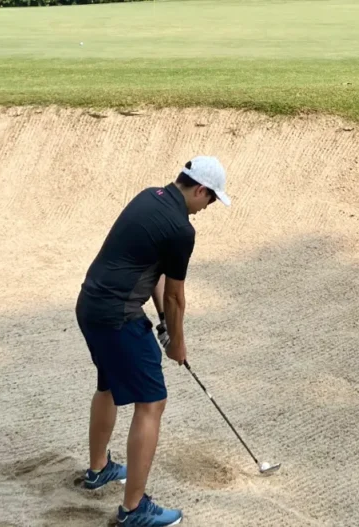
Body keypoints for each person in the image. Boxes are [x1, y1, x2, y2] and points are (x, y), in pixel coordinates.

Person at [75, 155, 231, 525]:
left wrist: (163, 323)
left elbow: (156, 275)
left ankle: (99, 470)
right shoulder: (181, 229)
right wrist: (177, 342)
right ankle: (133, 511)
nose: (208, 208)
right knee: (152, 402)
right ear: (200, 190)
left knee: (109, 385)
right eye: (211, 200)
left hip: (91, 306)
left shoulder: (150, 197)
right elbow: (177, 295)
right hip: (118, 317)